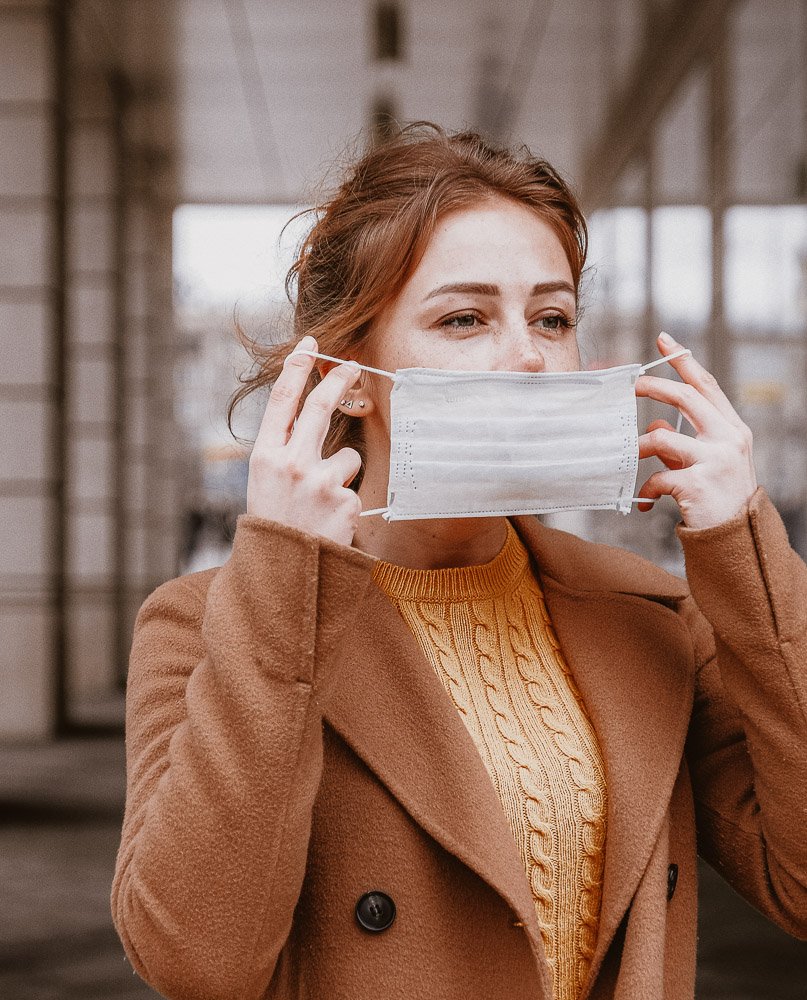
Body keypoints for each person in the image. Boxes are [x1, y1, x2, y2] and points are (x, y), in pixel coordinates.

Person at [111, 123, 807, 1000]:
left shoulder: (650, 615)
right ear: (348, 372)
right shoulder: (208, 622)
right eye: (463, 318)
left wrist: (743, 551)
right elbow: (196, 959)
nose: (526, 354)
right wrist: (286, 576)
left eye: (551, 318)